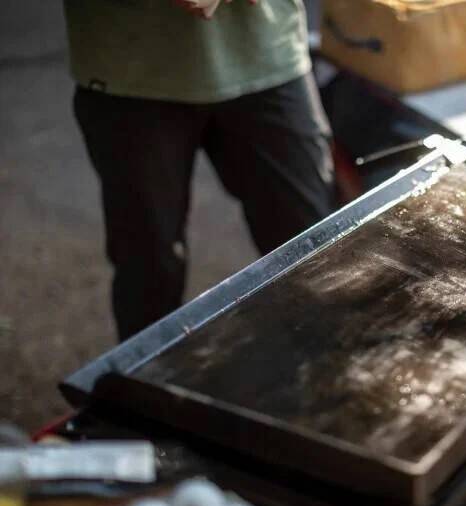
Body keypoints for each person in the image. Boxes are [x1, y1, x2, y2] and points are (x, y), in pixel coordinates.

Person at [63, 0, 334, 341]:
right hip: (128, 73)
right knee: (148, 270)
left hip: (267, 55)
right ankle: (148, 374)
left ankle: (324, 362)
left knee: (314, 250)